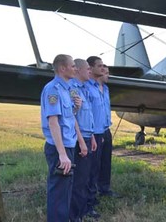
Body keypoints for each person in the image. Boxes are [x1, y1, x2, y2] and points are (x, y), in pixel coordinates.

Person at [41, 54, 85, 221]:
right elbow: (53, 122)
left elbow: (66, 118)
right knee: (59, 191)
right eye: (73, 66)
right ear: (62, 68)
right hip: (59, 147)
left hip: (68, 144)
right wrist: (62, 154)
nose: (75, 68)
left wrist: (76, 108)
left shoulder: (67, 89)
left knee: (66, 189)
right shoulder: (53, 89)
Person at [69, 59, 99, 221]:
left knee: (85, 177)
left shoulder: (84, 89)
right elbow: (72, 119)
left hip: (88, 137)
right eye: (88, 69)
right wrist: (81, 141)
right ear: (79, 70)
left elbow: (88, 117)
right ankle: (75, 216)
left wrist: (92, 136)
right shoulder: (73, 90)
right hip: (79, 140)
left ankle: (83, 210)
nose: (90, 71)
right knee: (79, 180)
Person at [86, 56, 119, 201]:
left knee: (106, 162)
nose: (103, 69)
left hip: (106, 130)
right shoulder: (86, 87)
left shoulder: (105, 88)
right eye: (100, 66)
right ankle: (90, 195)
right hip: (94, 133)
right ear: (91, 68)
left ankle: (104, 188)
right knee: (93, 165)